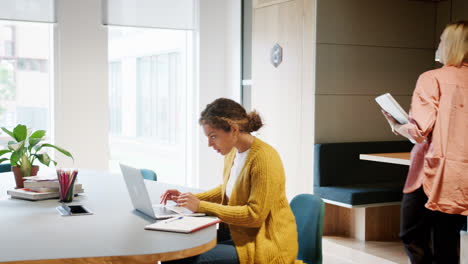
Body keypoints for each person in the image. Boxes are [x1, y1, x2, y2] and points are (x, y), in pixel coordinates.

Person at [160, 98, 303, 264]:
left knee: (181, 259)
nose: (209, 144)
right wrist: (189, 198)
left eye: (213, 136)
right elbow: (228, 188)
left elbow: (254, 216)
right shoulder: (233, 152)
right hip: (238, 234)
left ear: (234, 130)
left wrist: (200, 206)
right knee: (174, 251)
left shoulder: (264, 158)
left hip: (264, 244)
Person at [382, 21, 468, 264]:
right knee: (447, 237)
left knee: (411, 232)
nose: (438, 45)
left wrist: (396, 124)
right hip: (462, 175)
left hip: (433, 171)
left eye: (441, 40)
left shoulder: (433, 78)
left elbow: (419, 131)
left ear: (452, 45)